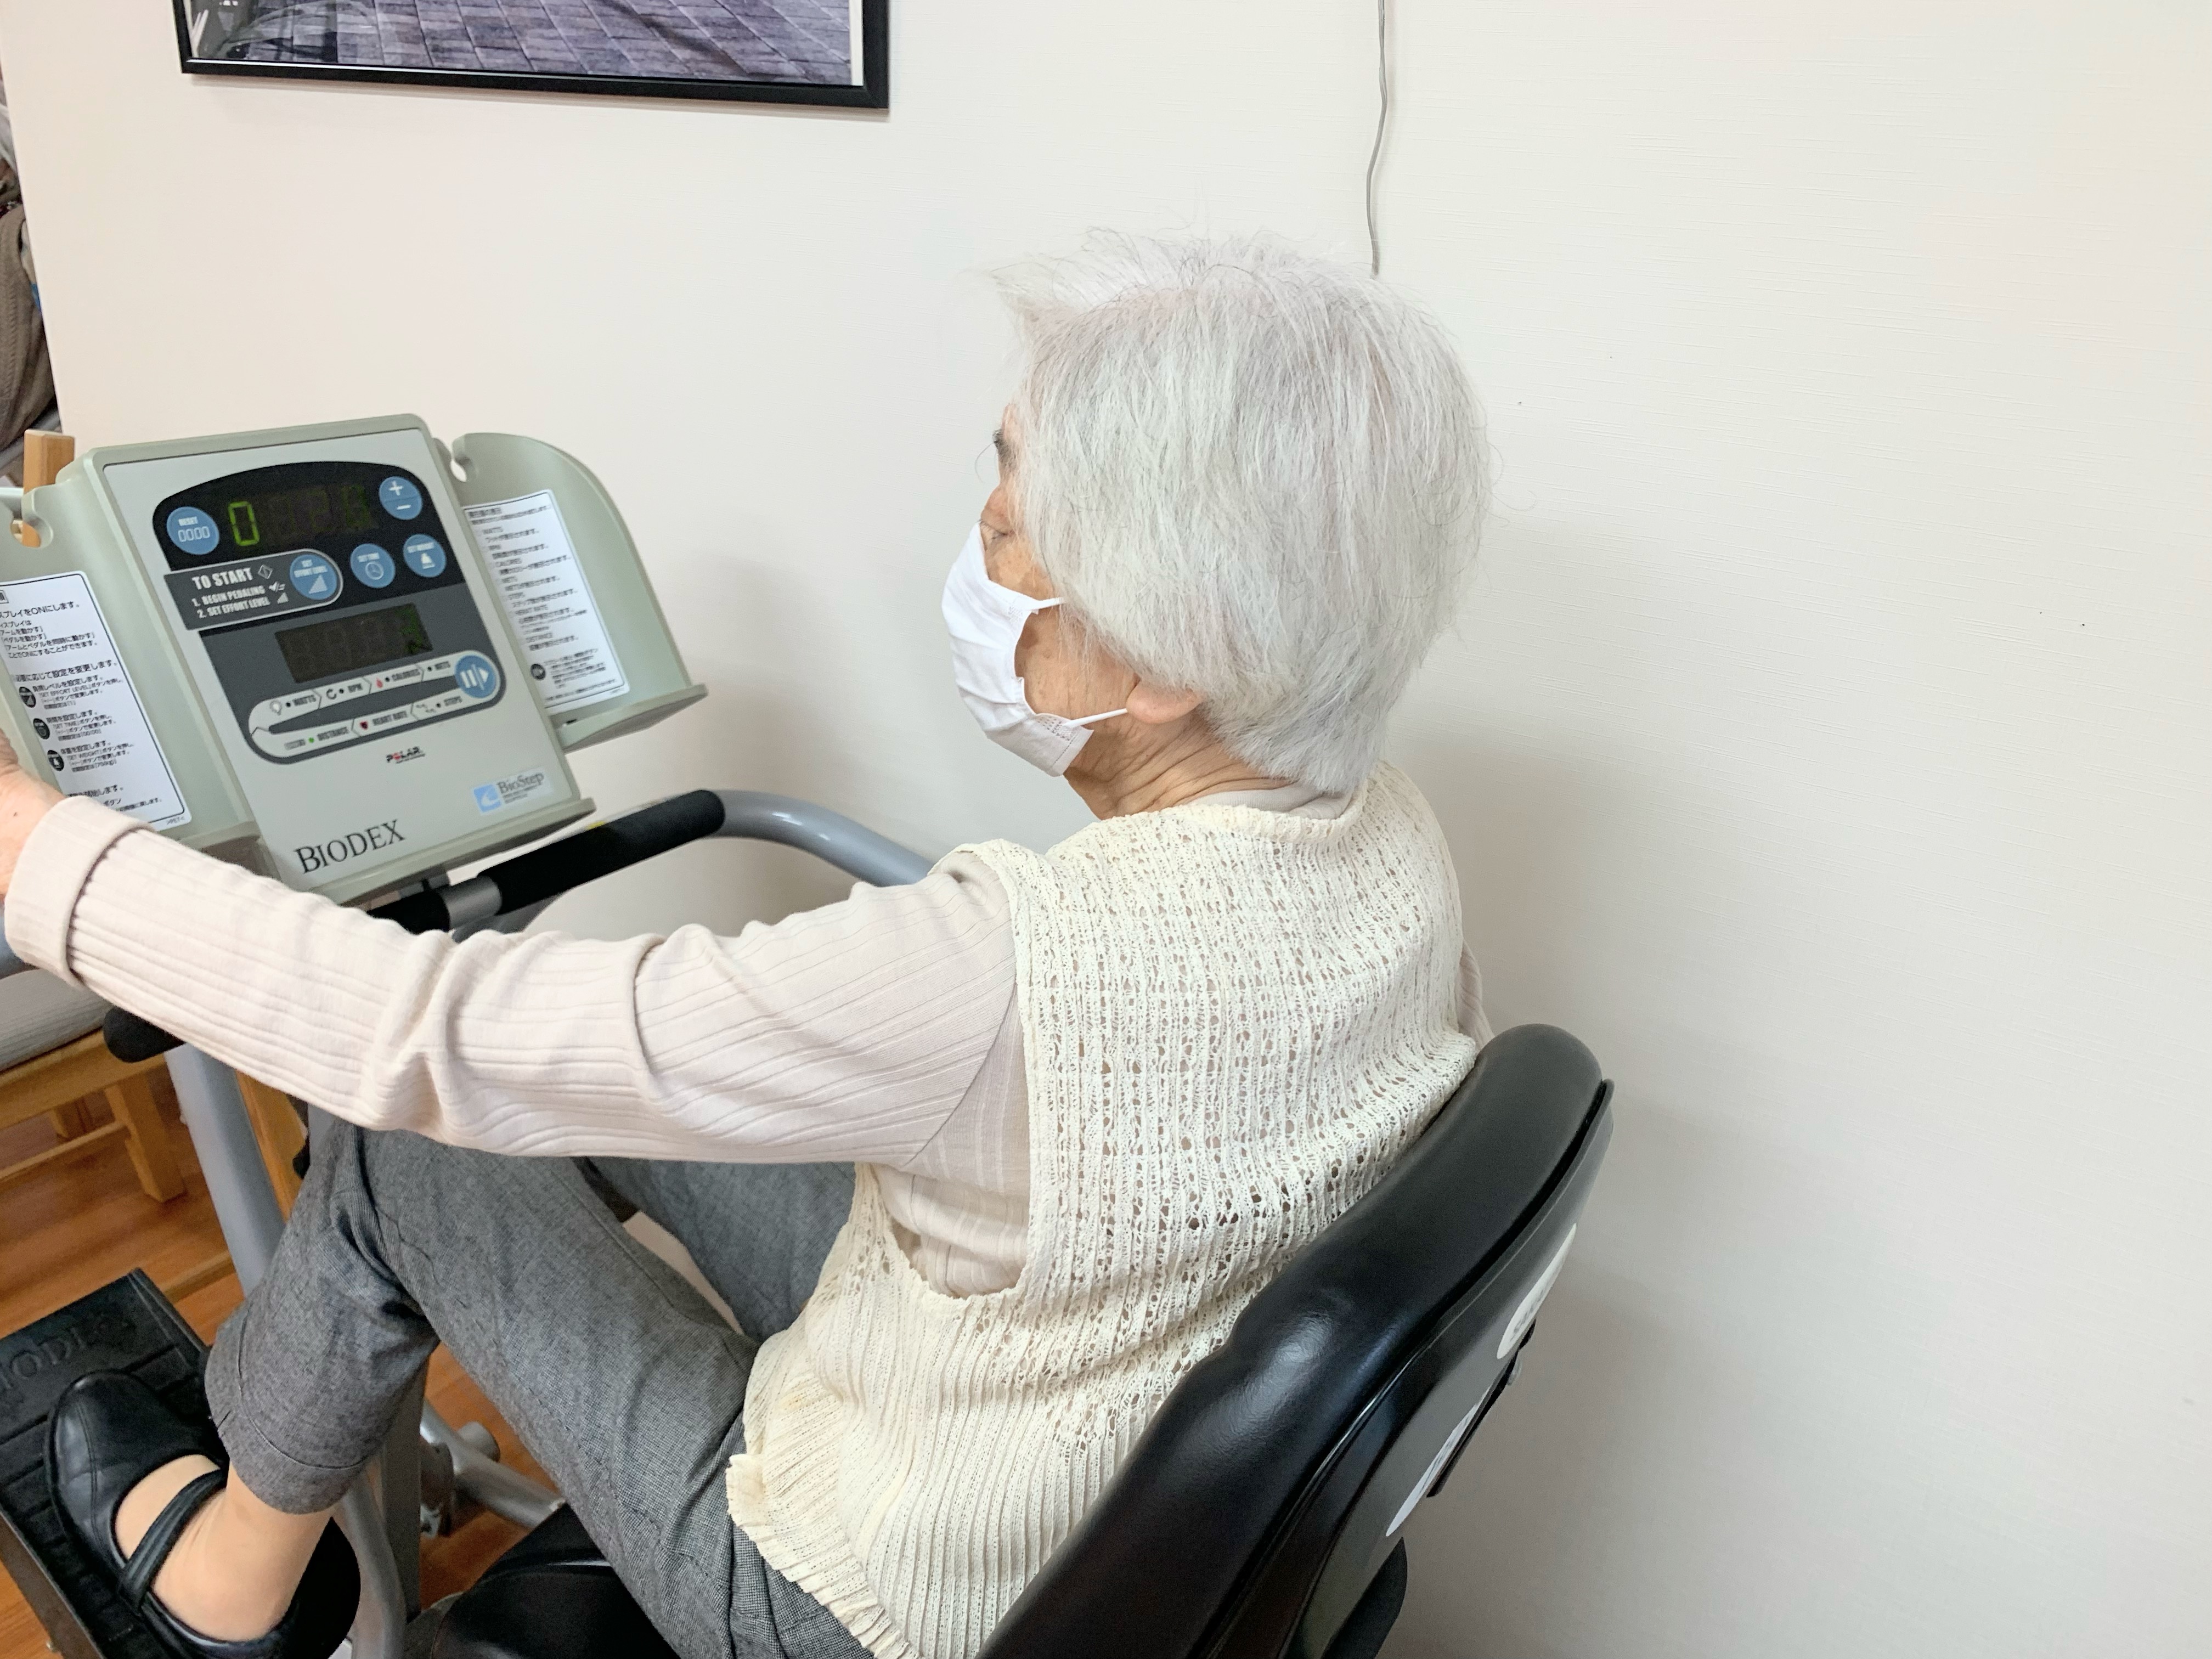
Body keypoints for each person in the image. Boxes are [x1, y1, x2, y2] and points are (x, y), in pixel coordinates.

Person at [0, 233, 1491, 1659]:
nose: (980, 542)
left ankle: (228, 1590)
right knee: (578, 1090)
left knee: (407, 1143)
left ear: (1162, 661)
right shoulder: (1393, 838)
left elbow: (420, 1034)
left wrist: (34, 845)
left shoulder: (1009, 965)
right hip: (1086, 1432)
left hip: (864, 1610)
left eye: (1008, 525)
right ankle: (299, 1440)